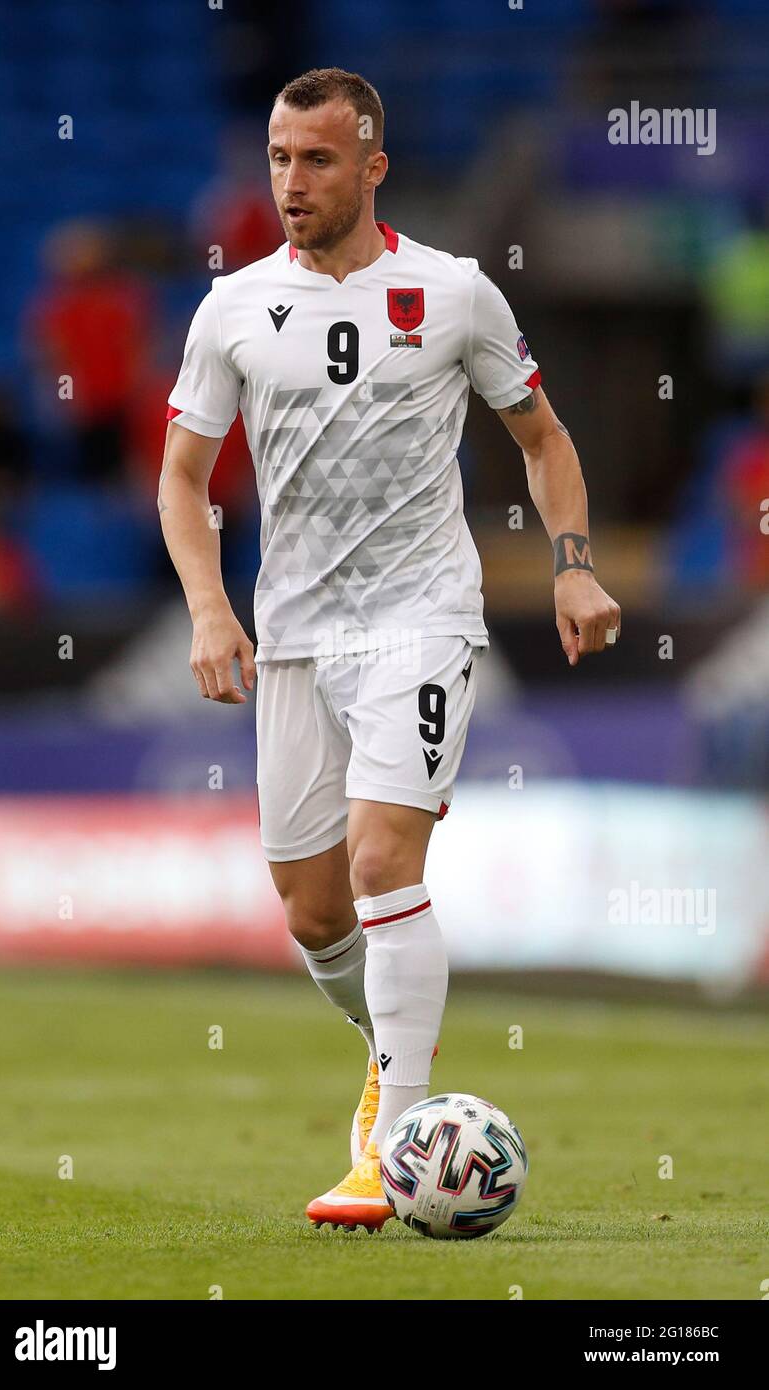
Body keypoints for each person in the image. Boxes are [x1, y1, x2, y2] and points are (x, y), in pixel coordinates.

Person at [159, 67, 621, 1232]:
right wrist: (213, 609)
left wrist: (571, 562)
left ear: (372, 165)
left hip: (421, 617)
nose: (290, 182)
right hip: (297, 636)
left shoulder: (455, 294)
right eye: (277, 157)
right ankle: (384, 1043)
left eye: (316, 159)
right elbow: (180, 477)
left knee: (380, 868)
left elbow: (544, 437)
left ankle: (400, 1144)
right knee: (314, 911)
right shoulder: (233, 310)